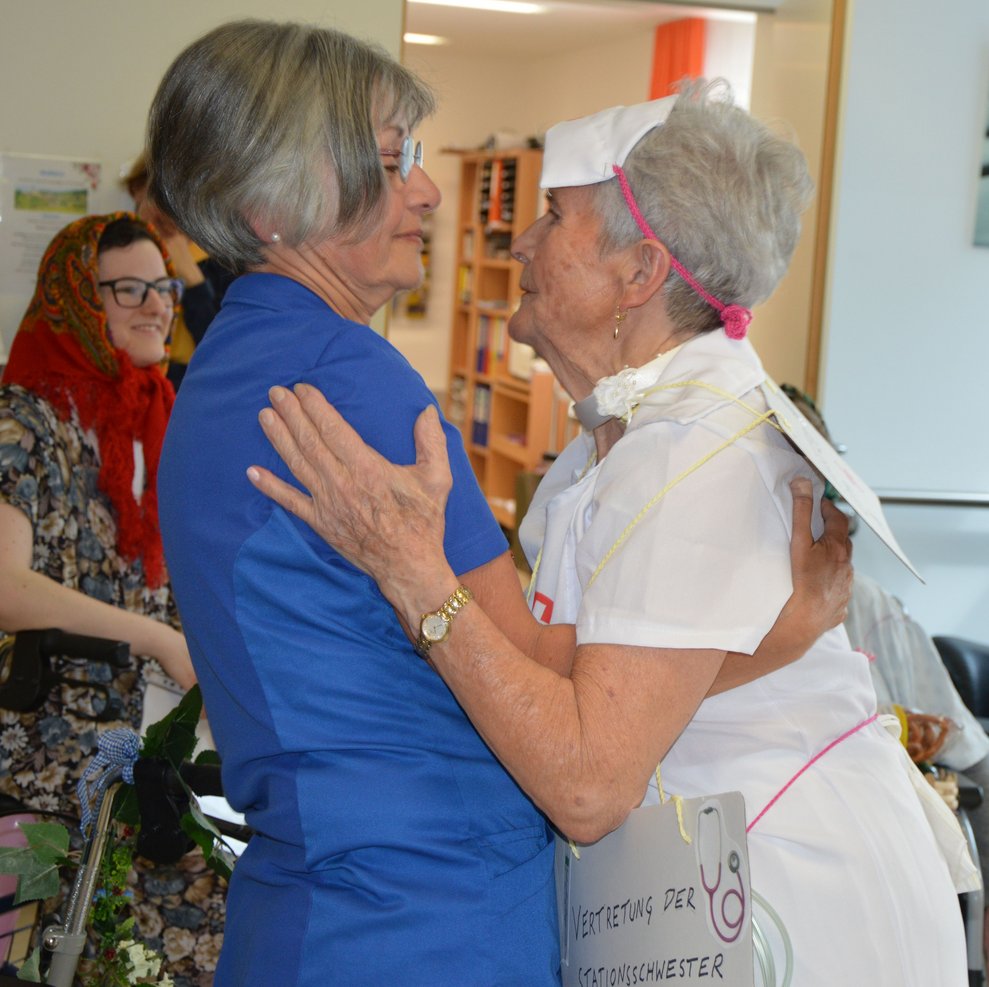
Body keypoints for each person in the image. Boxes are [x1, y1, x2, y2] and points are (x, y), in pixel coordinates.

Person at [151, 23, 851, 984]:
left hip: (324, 905)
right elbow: (551, 703)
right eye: (392, 160)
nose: (429, 192)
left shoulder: (233, 364)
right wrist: (776, 638)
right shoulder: (347, 380)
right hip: (424, 914)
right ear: (274, 202)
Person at [248, 82, 968, 985]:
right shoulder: (616, 445)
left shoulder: (693, 449)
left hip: (791, 905)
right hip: (698, 900)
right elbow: (567, 667)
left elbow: (588, 779)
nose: (521, 241)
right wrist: (771, 641)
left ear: (639, 274)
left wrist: (412, 570)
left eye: (554, 217)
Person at [0, 213, 226, 983]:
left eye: (163, 286)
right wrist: (155, 637)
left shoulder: (160, 412)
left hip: (152, 743)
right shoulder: (25, 419)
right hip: (56, 750)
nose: (157, 305)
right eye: (129, 288)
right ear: (76, 299)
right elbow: (7, 587)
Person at [124, 155, 236, 390]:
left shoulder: (224, 262)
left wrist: (192, 279)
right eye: (156, 193)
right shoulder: (118, 251)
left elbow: (224, 351)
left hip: (194, 384)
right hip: (133, 382)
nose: (165, 206)